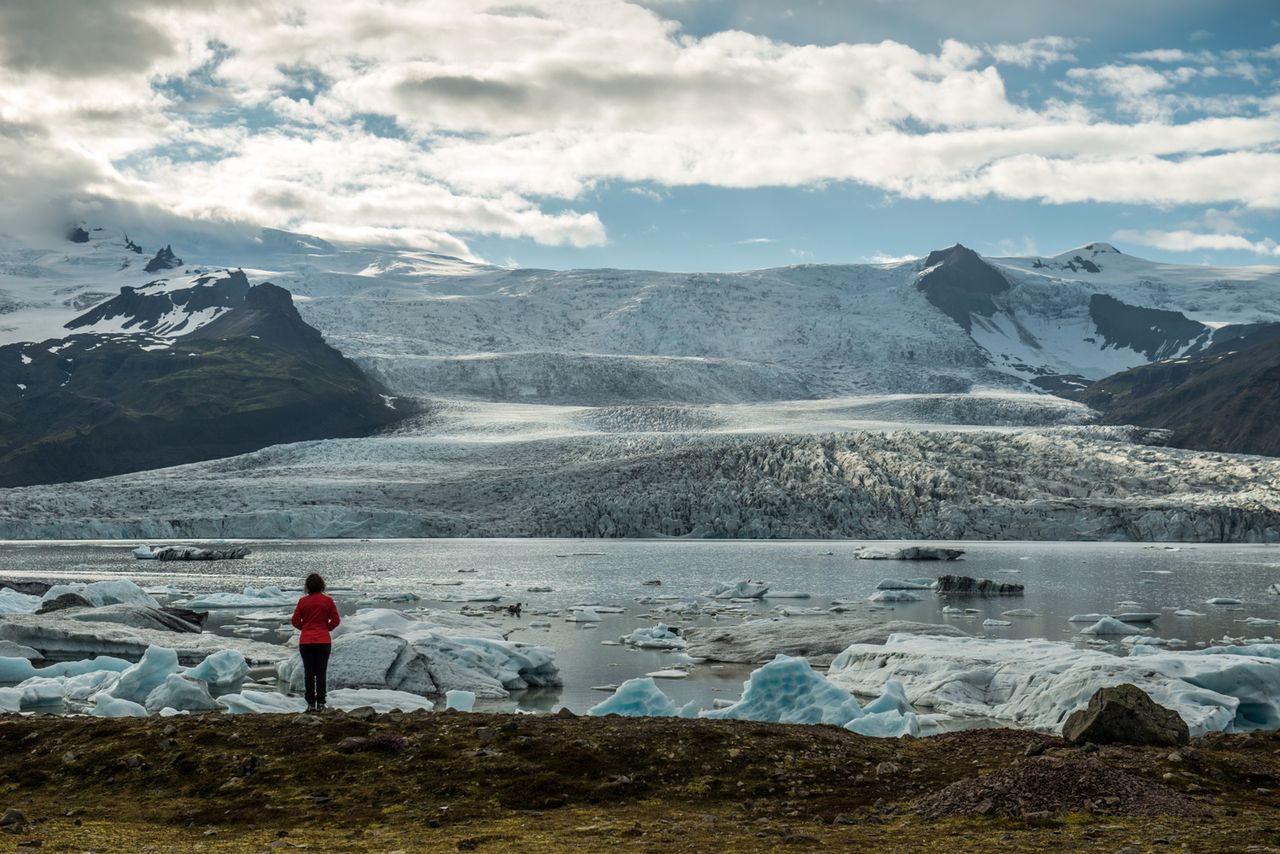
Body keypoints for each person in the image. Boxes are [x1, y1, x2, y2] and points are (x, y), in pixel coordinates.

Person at [291, 573, 341, 712]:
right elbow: (336, 620)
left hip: (306, 642)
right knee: (321, 673)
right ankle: (321, 703)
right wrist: (326, 628)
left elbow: (295, 621)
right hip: (323, 641)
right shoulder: (328, 601)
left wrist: (305, 628)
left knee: (309, 673)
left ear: (307, 587)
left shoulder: (302, 601)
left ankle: (310, 703)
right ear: (321, 585)